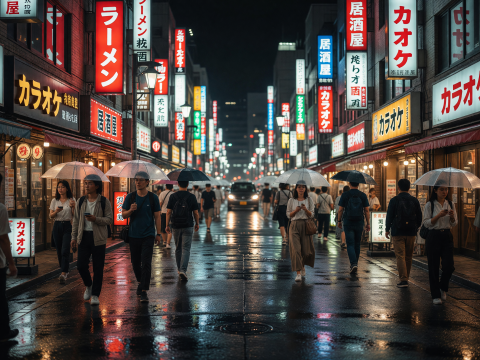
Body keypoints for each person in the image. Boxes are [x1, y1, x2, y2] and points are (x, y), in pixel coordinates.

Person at [71, 174, 113, 306]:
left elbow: (109, 219)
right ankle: (88, 285)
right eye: (85, 183)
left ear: (97, 186)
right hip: (83, 237)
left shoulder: (104, 201)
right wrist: (73, 237)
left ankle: (95, 294)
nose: (86, 186)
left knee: (98, 267)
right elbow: (76, 220)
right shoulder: (81, 201)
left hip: (98, 238)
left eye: (89, 183)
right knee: (81, 265)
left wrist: (96, 219)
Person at [122, 172, 162, 303]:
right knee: (135, 263)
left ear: (147, 182)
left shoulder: (153, 198)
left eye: (140, 180)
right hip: (133, 235)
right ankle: (140, 282)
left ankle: (144, 290)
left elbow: (157, 216)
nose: (138, 182)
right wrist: (130, 210)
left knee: (146, 262)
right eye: (136, 180)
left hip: (148, 235)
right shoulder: (130, 197)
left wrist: (158, 234)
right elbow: (123, 215)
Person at [423, 183, 457, 305]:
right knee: (433, 267)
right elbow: (426, 223)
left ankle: (443, 286)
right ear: (435, 191)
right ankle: (435, 295)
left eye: (446, 189)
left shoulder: (451, 204)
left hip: (447, 236)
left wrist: (452, 217)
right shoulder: (430, 204)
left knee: (449, 266)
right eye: (442, 190)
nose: (444, 192)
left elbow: (454, 223)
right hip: (434, 236)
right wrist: (438, 215)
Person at [385, 179, 422, 288]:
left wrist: (387, 229)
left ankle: (403, 279)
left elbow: (389, 216)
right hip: (411, 232)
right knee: (409, 256)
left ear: (398, 188)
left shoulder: (394, 200)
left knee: (400, 255)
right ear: (409, 188)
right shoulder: (414, 200)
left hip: (398, 231)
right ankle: (407, 277)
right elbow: (419, 216)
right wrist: (416, 227)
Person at [165, 180, 200, 281]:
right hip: (188, 225)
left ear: (178, 184)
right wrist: (197, 223)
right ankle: (183, 270)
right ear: (188, 184)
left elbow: (168, 212)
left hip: (175, 225)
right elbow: (196, 212)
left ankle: (179, 269)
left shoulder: (173, 196)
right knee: (186, 248)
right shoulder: (192, 196)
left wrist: (167, 225)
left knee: (178, 248)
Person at [0, 173, 19, 342]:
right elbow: (4, 238)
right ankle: (4, 332)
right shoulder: (0, 209)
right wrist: (11, 263)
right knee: (0, 299)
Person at [337, 181, 370, 274]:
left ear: (349, 184)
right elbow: (366, 210)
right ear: (358, 184)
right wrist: (368, 223)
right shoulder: (363, 195)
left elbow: (340, 210)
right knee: (357, 243)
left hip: (348, 222)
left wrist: (339, 221)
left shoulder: (345, 195)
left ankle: (353, 263)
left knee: (350, 243)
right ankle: (355, 263)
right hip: (359, 222)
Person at [286, 181, 316, 282]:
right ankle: (298, 273)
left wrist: (305, 209)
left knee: (305, 250)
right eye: (299, 187)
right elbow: (288, 215)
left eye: (303, 187)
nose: (301, 189)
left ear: (305, 189)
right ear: (296, 189)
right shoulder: (291, 200)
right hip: (294, 226)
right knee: (296, 249)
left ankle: (302, 266)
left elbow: (312, 214)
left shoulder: (309, 199)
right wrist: (295, 211)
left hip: (306, 225)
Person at [49, 180, 76, 284]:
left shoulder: (72, 200)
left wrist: (73, 207)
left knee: (65, 249)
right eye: (59, 187)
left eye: (63, 187)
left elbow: (74, 215)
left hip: (68, 226)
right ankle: (63, 270)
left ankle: (64, 272)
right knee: (59, 250)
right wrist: (56, 211)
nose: (60, 189)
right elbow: (50, 215)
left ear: (67, 188)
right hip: (57, 225)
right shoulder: (54, 200)